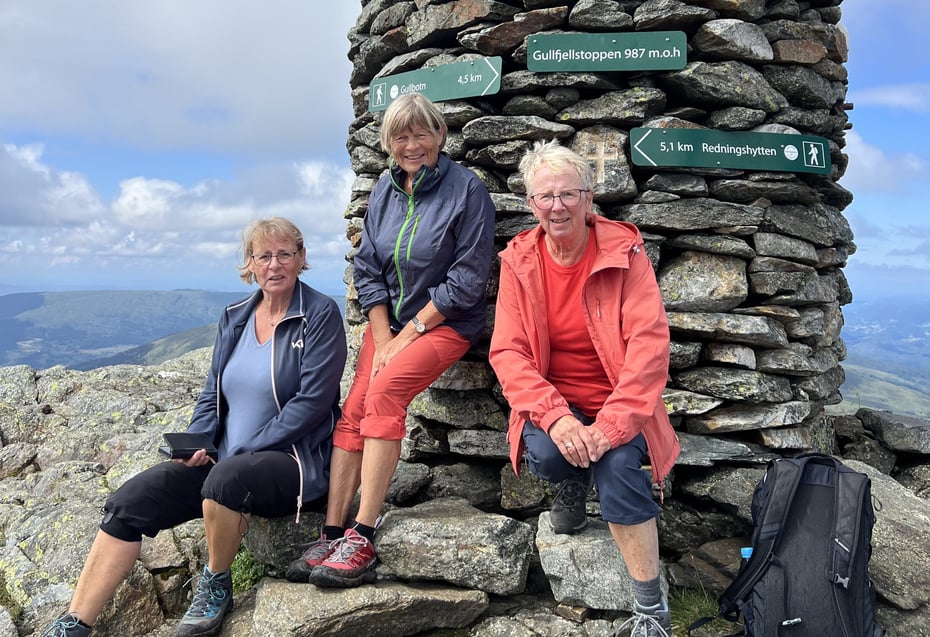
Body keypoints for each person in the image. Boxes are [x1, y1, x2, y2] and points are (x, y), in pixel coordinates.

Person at [41, 217, 347, 637]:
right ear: (250, 263)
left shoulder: (319, 314)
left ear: (301, 258)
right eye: (264, 256)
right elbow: (211, 393)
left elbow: (312, 403)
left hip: (294, 463)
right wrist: (199, 442)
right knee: (128, 503)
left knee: (225, 478)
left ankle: (216, 582)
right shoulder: (236, 316)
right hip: (227, 460)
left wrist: (245, 450)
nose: (274, 265)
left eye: (284, 254)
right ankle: (75, 622)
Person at [285, 92, 495, 588]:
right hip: (391, 325)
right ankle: (333, 532)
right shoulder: (384, 189)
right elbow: (368, 267)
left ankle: (363, 535)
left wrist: (408, 335)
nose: (411, 145)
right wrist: (383, 336)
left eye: (421, 133)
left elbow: (467, 282)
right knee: (354, 409)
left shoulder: (468, 190)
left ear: (441, 134)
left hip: (446, 323)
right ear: (388, 143)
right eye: (400, 136)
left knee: (383, 394)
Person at [488, 140, 680, 637]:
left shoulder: (624, 252)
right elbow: (508, 352)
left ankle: (650, 611)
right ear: (531, 204)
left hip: (618, 401)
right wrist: (556, 418)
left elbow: (650, 346)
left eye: (568, 194)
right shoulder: (519, 260)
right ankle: (572, 482)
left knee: (618, 470)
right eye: (545, 196)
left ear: (588, 198)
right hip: (558, 404)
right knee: (550, 453)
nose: (557, 206)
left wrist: (610, 427)